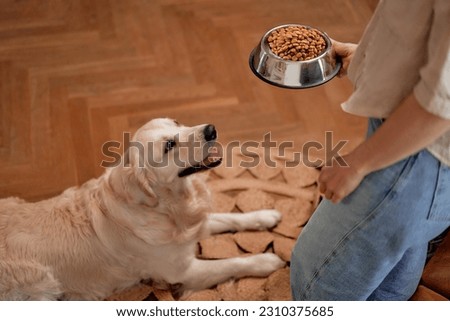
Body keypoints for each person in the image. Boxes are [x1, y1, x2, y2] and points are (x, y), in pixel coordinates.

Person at [290, 0, 450, 300]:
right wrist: (368, 59)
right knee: (396, 260)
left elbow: (442, 104)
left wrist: (357, 164)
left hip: (418, 156)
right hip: (420, 151)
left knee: (317, 278)